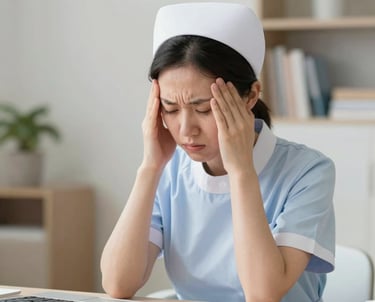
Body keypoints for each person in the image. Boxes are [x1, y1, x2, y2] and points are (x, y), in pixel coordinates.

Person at [100, 2, 335, 302]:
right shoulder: (170, 170)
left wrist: (240, 171)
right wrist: (149, 167)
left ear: (250, 95)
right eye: (170, 109)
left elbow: (263, 294)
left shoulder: (308, 171)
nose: (186, 129)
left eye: (203, 109)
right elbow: (118, 283)